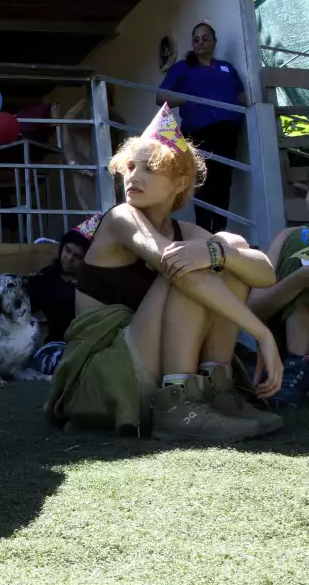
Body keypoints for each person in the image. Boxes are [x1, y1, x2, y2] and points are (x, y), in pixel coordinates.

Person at [43, 104, 283, 442]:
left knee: (229, 243)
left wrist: (217, 251)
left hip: (151, 359)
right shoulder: (120, 217)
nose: (133, 177)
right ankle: (178, 405)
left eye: (150, 168)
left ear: (180, 181)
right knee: (183, 266)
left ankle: (216, 390)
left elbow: (265, 275)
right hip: (107, 376)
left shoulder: (184, 230)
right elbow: (175, 267)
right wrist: (262, 334)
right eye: (130, 166)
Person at [156, 21, 246, 233]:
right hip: (198, 132)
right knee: (205, 184)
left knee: (224, 182)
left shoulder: (226, 68)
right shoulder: (182, 68)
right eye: (196, 39)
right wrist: (189, 98)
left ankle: (221, 233)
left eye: (205, 38)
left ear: (214, 42)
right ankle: (204, 233)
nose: (200, 42)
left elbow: (242, 97)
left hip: (226, 132)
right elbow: (160, 97)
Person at [247, 208, 309, 408]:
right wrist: (300, 280)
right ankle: (296, 364)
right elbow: (254, 309)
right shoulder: (290, 237)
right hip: (287, 338)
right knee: (301, 243)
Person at [26, 219, 92, 376]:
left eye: (77, 256)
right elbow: (16, 308)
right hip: (56, 347)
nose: (69, 259)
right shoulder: (46, 278)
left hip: (89, 346)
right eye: (67, 250)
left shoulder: (94, 281)